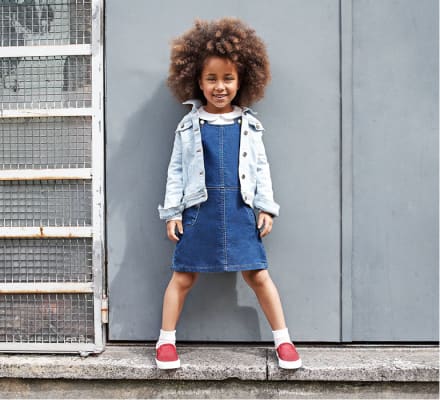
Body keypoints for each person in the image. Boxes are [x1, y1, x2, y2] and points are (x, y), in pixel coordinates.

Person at [156, 17, 302, 370]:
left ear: (242, 80)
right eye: (211, 78)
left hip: (239, 208)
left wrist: (265, 207)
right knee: (183, 275)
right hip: (199, 211)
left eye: (228, 78)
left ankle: (283, 339)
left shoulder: (249, 124)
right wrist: (173, 211)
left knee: (258, 274)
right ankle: (165, 341)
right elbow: (176, 170)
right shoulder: (189, 124)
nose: (219, 86)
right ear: (197, 80)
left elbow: (261, 167)